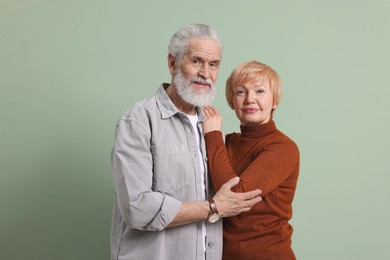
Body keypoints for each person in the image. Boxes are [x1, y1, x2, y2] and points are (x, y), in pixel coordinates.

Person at [110, 24, 262, 260]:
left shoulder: (212, 127)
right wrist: (213, 207)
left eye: (213, 65)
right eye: (196, 61)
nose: (206, 73)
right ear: (172, 63)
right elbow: (136, 207)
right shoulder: (139, 120)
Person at [202, 60, 300, 260]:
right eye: (241, 92)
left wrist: (212, 134)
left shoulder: (283, 147)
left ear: (275, 101)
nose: (250, 99)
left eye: (260, 91)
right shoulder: (227, 142)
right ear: (231, 101)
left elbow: (234, 196)